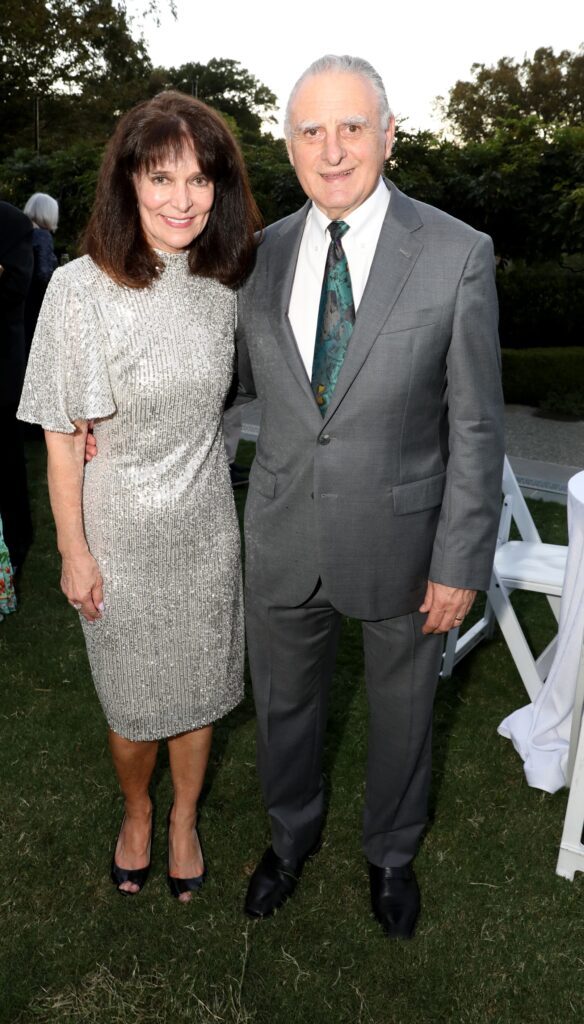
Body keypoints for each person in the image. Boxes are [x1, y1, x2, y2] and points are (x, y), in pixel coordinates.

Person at [236, 55, 505, 938]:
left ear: (389, 134)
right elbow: (223, 381)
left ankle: (391, 854)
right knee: (284, 709)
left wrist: (460, 559)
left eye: (353, 126)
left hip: (405, 541)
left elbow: (475, 428)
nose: (334, 148)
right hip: (280, 532)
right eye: (312, 130)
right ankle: (287, 839)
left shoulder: (458, 253)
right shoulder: (258, 252)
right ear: (289, 144)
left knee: (403, 715)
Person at [18, 91, 261, 900]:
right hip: (116, 534)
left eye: (200, 179)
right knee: (131, 708)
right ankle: (136, 811)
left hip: (204, 528)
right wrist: (74, 552)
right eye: (161, 178)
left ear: (221, 188)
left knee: (199, 698)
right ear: (126, 181)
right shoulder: (79, 290)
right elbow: (60, 432)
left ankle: (185, 818)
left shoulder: (227, 283)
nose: (183, 199)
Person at [0, 201, 34, 573]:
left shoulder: (11, 223)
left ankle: (14, 545)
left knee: (6, 467)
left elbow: (13, 290)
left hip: (1, 375)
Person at [23, 192, 59, 356]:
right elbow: (44, 274)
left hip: (22, 302)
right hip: (37, 306)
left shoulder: (24, 233)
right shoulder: (43, 236)